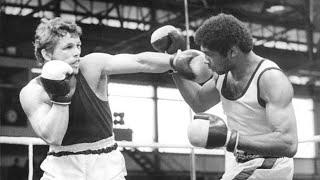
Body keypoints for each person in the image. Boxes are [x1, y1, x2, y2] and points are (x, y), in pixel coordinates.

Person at [19, 17, 176, 180]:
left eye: (78, 45)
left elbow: (140, 61)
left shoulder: (91, 66)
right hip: (61, 167)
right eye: (68, 47)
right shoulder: (32, 92)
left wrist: (175, 61)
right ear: (46, 53)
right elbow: (53, 137)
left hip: (106, 163)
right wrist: (61, 96)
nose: (76, 52)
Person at [162, 13, 298, 180]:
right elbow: (198, 102)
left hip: (270, 164)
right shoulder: (223, 75)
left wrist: (230, 138)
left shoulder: (270, 79)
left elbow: (288, 143)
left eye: (209, 54)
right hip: (238, 161)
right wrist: (174, 64)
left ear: (232, 51)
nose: (205, 61)